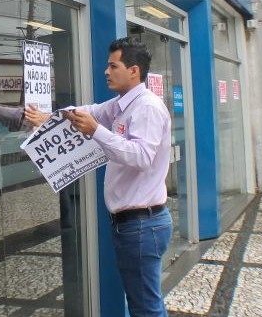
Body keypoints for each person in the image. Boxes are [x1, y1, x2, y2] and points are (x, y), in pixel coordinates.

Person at [25, 37, 172, 317]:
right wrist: (49, 118)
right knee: (142, 303)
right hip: (134, 224)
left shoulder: (147, 108)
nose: (106, 71)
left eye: (112, 65)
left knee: (147, 308)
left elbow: (141, 156)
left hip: (143, 224)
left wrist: (96, 131)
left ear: (134, 71)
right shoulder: (121, 105)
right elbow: (87, 112)